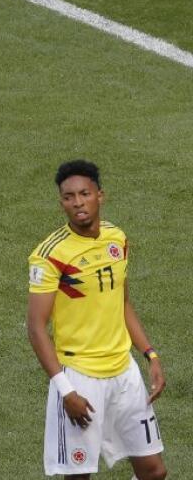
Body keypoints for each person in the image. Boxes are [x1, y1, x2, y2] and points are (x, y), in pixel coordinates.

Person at [26, 161, 167, 480]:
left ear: (100, 195)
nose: (77, 203)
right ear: (61, 201)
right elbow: (36, 328)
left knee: (154, 472)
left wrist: (150, 354)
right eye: (68, 197)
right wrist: (65, 391)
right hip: (80, 378)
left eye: (84, 194)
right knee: (79, 477)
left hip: (124, 373)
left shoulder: (117, 239)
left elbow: (123, 303)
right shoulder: (51, 254)